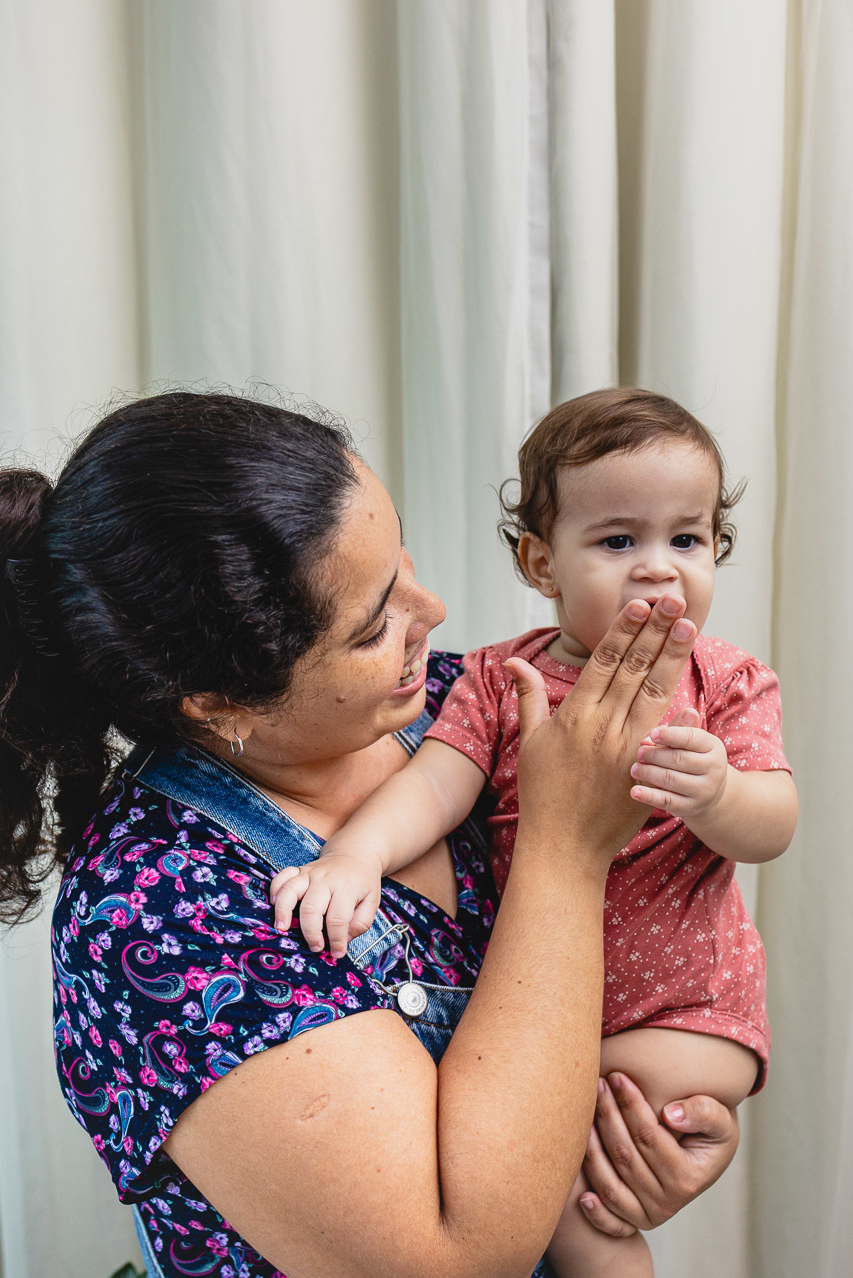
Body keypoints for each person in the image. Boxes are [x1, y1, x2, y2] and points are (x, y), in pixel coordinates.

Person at [0, 391, 740, 1278]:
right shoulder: (156, 912)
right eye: (373, 622)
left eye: (401, 562)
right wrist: (564, 849)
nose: (430, 610)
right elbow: (452, 1259)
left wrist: (646, 1137)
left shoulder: (470, 703)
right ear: (218, 703)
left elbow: (661, 927)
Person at [270, 388, 798, 1277]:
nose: (659, 570)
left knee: (571, 1204)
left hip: (677, 1011)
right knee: (550, 1192)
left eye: (688, 538)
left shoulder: (726, 682)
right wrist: (355, 854)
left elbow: (772, 825)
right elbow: (436, 785)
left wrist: (718, 794)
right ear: (541, 562)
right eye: (618, 541)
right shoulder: (496, 680)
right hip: (551, 1017)